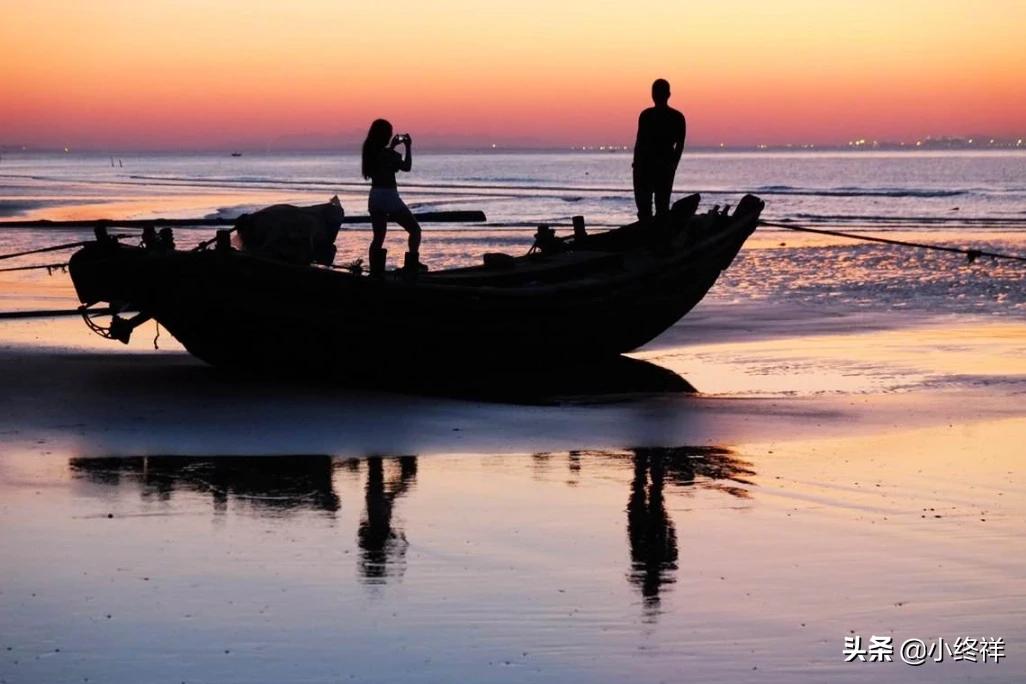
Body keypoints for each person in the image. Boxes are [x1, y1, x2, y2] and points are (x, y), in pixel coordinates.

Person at [361, 118, 424, 276]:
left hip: (375, 196)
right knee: (415, 230)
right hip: (389, 196)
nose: (391, 135)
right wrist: (408, 147)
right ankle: (411, 266)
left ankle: (376, 272)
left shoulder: (369, 152)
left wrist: (393, 147)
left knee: (378, 237)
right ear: (385, 135)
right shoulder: (390, 154)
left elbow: (382, 161)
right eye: (389, 132)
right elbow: (407, 167)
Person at [632, 79, 686, 221]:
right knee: (650, 209)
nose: (656, 95)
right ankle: (653, 237)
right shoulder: (648, 116)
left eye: (657, 92)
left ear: (667, 94)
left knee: (657, 209)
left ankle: (656, 237)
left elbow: (679, 146)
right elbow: (640, 144)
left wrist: (673, 165)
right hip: (650, 167)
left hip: (658, 167)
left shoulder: (675, 117)